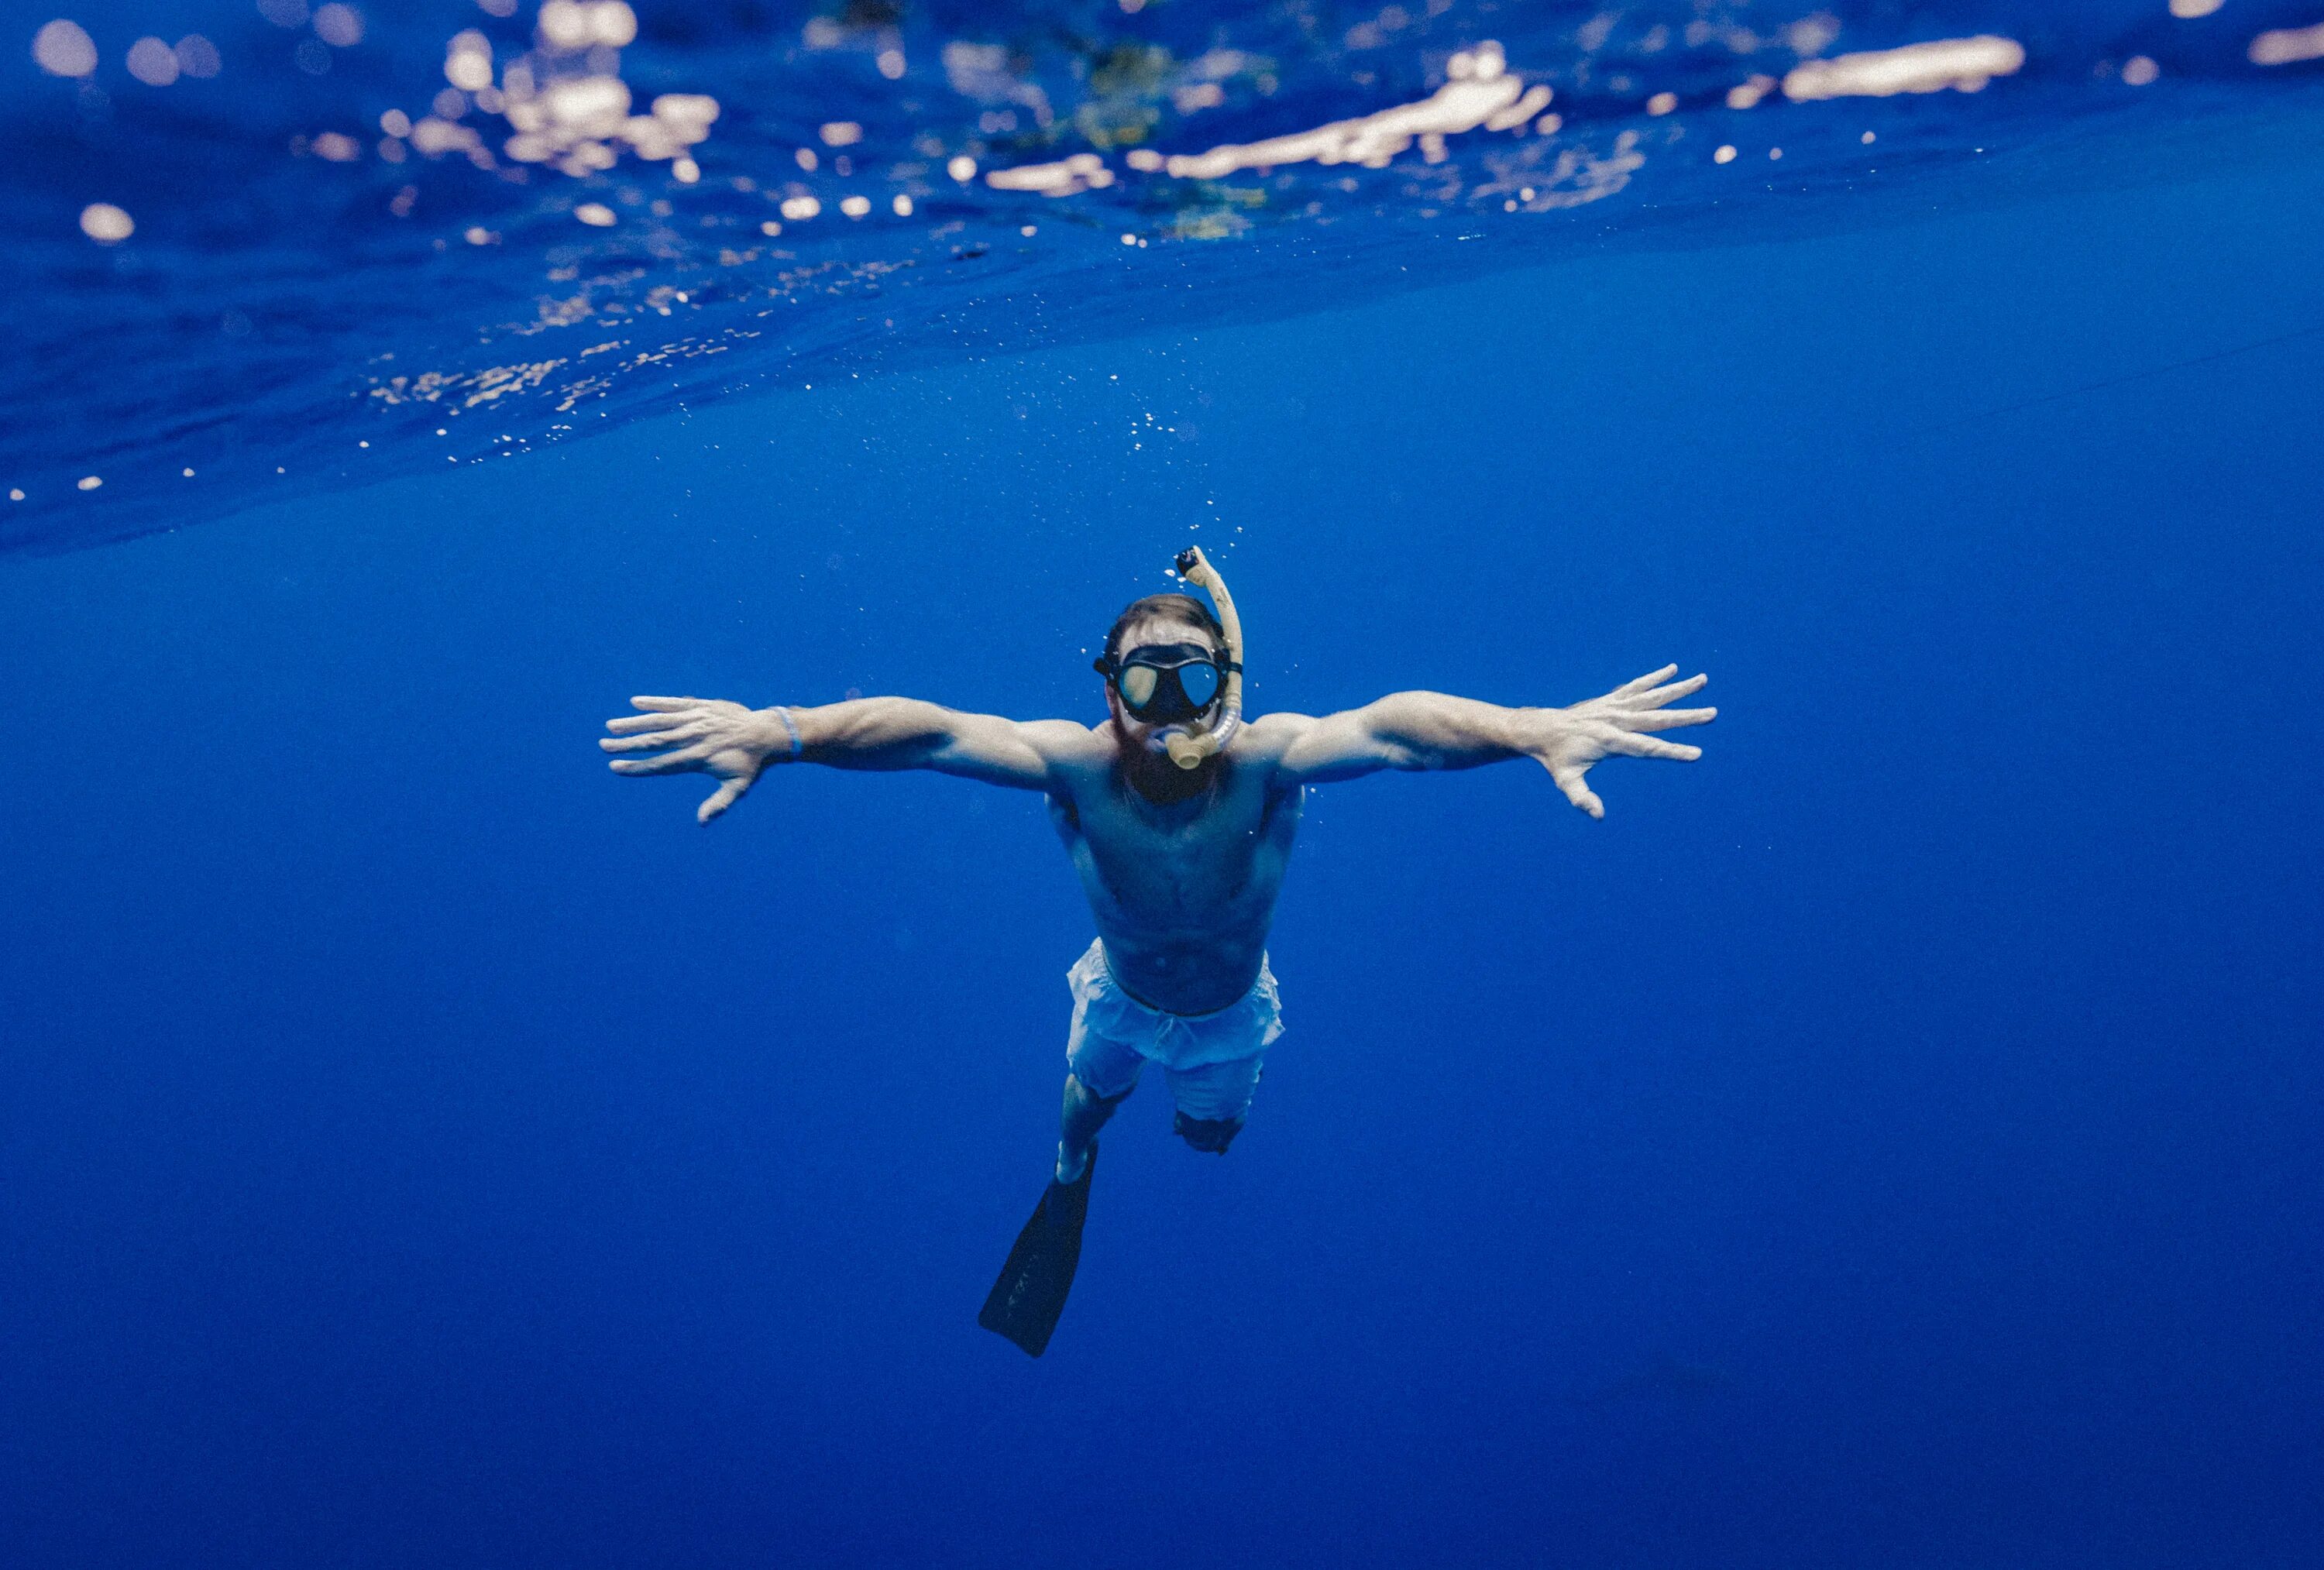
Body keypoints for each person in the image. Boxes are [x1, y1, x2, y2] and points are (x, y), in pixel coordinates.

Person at [600, 548, 1714, 1355]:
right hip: (1120, 993)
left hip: (1233, 1012)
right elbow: (929, 730)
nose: (1166, 707)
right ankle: (1074, 1171)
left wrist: (1530, 731)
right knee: (1083, 1110)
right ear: (1109, 691)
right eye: (1143, 681)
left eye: (1189, 679)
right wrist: (782, 732)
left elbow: (1397, 726)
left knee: (1211, 1133)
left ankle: (1186, 1120)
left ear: (1222, 686)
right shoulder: (1076, 767)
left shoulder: (1272, 759)